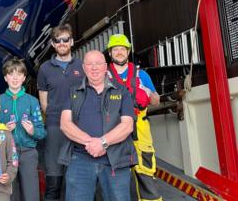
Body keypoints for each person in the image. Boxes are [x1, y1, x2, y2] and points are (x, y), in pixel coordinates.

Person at [58, 50, 137, 201]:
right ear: (84, 68)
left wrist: (102, 142)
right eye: (89, 64)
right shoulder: (73, 92)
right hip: (80, 159)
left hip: (115, 159)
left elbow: (127, 126)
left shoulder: (122, 91)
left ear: (105, 67)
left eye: (98, 63)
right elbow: (65, 124)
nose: (94, 68)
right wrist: (91, 143)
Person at [106, 34, 162, 201]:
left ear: (128, 51)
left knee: (146, 178)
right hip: (114, 133)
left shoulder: (141, 75)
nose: (119, 52)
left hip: (140, 133)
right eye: (115, 49)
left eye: (122, 49)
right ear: (110, 53)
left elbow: (156, 101)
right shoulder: (103, 75)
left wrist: (147, 92)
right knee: (114, 181)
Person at [36, 24, 84, 201]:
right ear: (53, 44)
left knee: (79, 181)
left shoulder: (82, 66)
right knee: (54, 180)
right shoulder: (45, 69)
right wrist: (56, 118)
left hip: (80, 127)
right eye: (58, 40)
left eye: (65, 39)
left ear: (71, 41)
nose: (62, 43)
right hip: (55, 127)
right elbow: (44, 102)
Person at [0, 57, 46, 201]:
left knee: (31, 193)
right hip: (5, 153)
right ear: (5, 78)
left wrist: (32, 131)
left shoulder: (32, 101)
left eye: (19, 74)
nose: (15, 78)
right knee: (9, 193)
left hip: (28, 152)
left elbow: (42, 132)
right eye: (11, 74)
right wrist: (3, 129)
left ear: (24, 77)